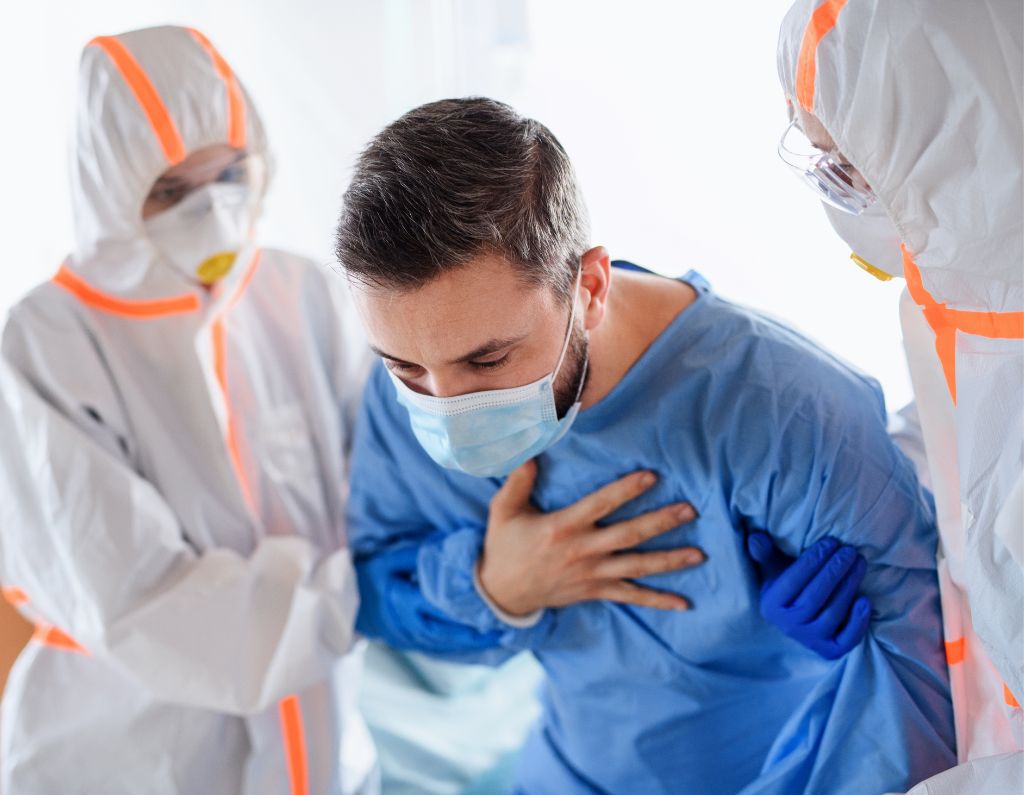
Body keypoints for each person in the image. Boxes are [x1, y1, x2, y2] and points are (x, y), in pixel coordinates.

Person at [336, 97, 956, 794]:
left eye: (488, 362)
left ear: (590, 287)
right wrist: (495, 587)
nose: (447, 408)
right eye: (405, 367)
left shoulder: (785, 410)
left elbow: (923, 669)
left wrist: (823, 656)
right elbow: (366, 590)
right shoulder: (407, 399)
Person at [0, 25, 384, 793]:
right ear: (108, 188)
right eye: (171, 191)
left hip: (325, 739)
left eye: (230, 176)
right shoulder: (49, 340)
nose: (211, 212)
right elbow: (143, 601)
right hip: (128, 753)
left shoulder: (302, 291)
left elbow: (385, 476)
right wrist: (376, 597)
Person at [775, 1, 1023, 790]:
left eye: (842, 166)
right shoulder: (966, 307)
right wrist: (871, 507)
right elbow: (963, 443)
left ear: (959, 150)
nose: (836, 194)